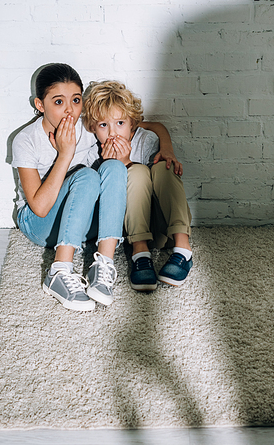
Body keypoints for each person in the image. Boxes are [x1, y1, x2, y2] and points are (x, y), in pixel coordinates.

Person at [12, 63, 174, 311]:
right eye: (58, 102)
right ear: (39, 105)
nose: (69, 110)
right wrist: (66, 154)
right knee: (86, 176)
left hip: (80, 223)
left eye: (75, 100)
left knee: (114, 167)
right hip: (39, 224)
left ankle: (103, 266)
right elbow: (40, 208)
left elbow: (141, 124)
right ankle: (59, 270)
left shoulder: (86, 127)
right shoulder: (26, 140)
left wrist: (166, 147)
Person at [82, 80, 193, 292]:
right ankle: (140, 254)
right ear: (93, 128)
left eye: (120, 123)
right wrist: (113, 165)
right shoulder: (93, 154)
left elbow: (154, 187)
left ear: (132, 123)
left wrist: (128, 162)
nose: (113, 133)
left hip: (161, 228)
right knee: (137, 171)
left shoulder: (146, 140)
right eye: (104, 125)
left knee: (162, 167)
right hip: (129, 234)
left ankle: (183, 249)